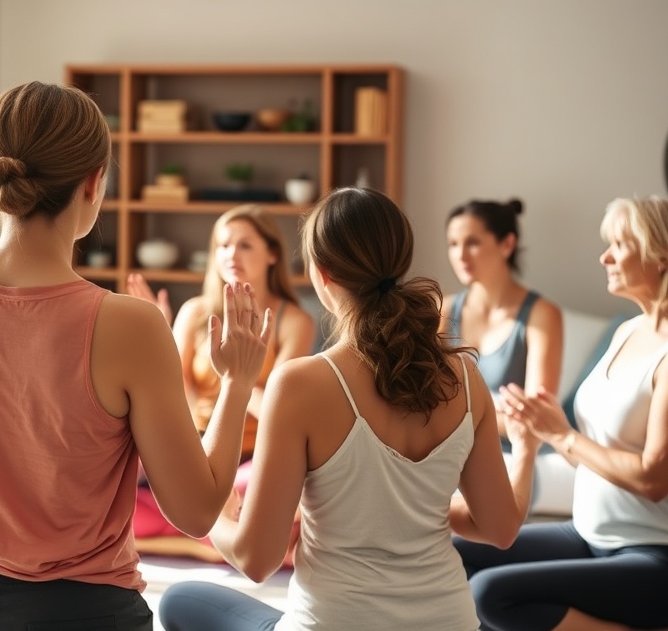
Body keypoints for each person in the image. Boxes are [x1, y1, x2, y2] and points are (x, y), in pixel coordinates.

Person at [0, 81, 272, 630]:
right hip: (79, 610)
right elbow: (196, 511)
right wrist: (236, 382)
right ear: (93, 184)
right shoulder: (129, 324)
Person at [159, 187, 537, 631]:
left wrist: (219, 514)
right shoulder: (466, 379)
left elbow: (256, 561)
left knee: (179, 598)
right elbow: (500, 529)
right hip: (449, 621)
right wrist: (524, 454)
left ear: (322, 274)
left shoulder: (299, 384)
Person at [454, 196, 668, 631]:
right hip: (588, 535)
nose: (604, 257)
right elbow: (595, 453)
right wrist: (543, 429)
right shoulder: (630, 329)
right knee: (455, 554)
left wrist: (564, 435)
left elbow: (654, 479)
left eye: (619, 245)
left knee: (492, 593)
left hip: (664, 558)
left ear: (663, 258)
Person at [126, 204, 315, 559]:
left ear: (272, 253)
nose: (231, 254)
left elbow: (279, 408)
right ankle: (211, 540)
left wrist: (237, 377)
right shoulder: (195, 311)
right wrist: (159, 342)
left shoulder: (293, 321)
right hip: (193, 446)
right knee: (111, 484)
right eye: (223, 245)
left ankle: (193, 529)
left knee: (250, 491)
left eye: (245, 245)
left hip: (251, 456)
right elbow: (177, 398)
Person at [441, 198, 563, 447]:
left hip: (509, 455)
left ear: (507, 244)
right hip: (447, 452)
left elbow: (534, 422)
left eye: (472, 242)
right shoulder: (441, 309)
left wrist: (454, 412)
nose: (460, 254)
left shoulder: (542, 315)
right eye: (453, 244)